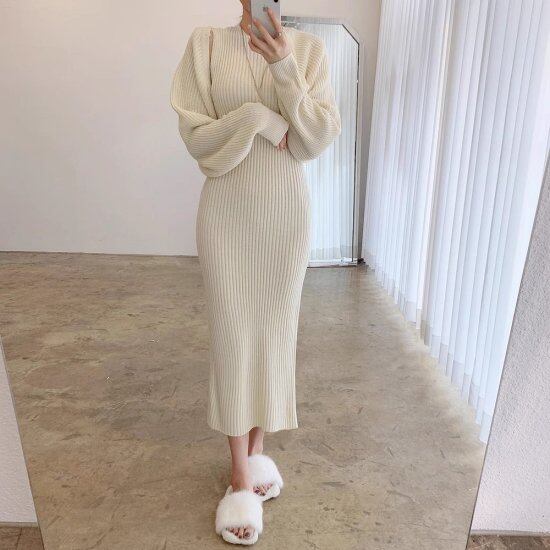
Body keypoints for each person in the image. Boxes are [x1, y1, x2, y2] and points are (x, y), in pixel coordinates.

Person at [170, 1, 341, 544]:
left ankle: (258, 451)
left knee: (273, 333)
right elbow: (200, 141)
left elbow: (315, 139)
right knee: (232, 336)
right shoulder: (205, 45)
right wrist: (259, 119)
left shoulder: (309, 51)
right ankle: (239, 476)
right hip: (226, 214)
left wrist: (284, 66)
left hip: (285, 216)